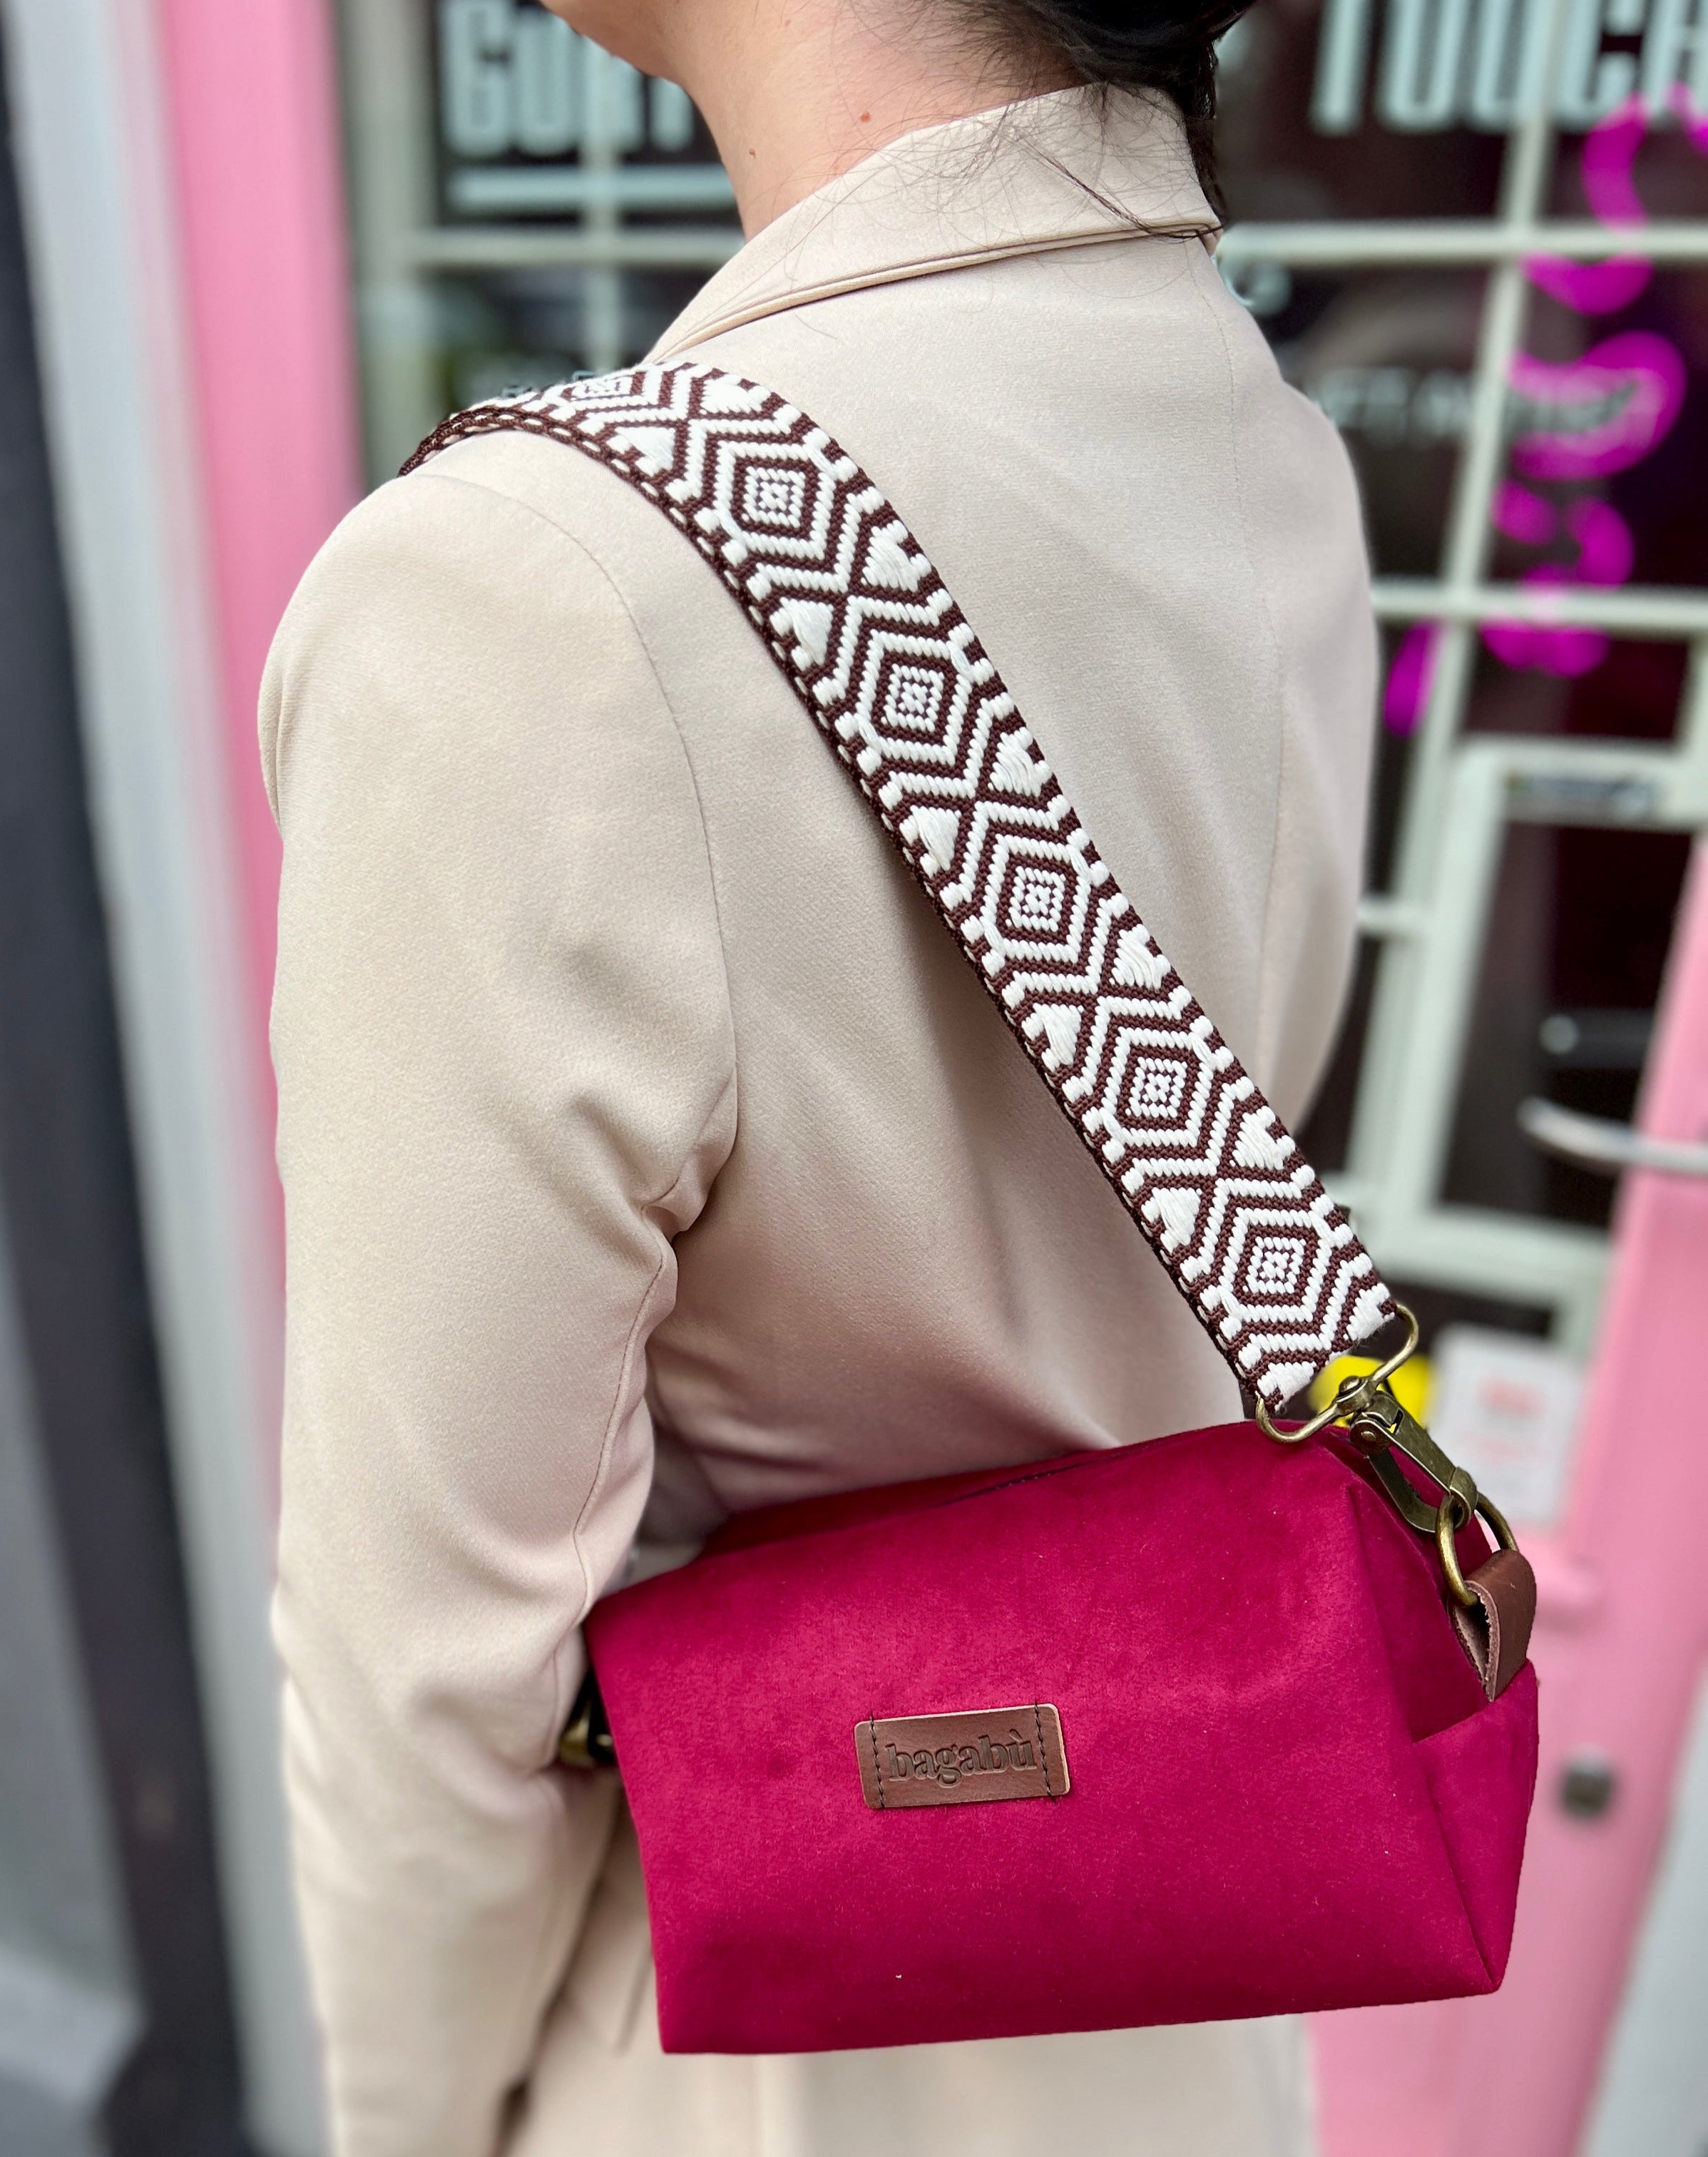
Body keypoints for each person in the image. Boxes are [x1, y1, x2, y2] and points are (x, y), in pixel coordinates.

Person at [260, 0, 1376, 2147]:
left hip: (772, 2040)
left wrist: (414, 2123)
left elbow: (431, 1674)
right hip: (1199, 1977)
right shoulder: (1253, 429)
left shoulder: (525, 595)